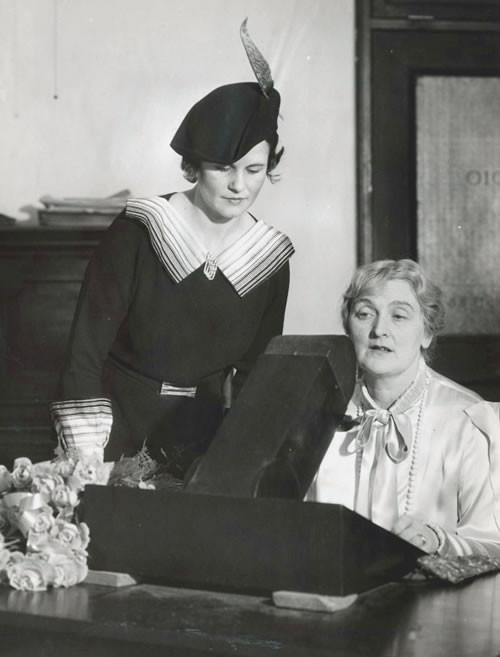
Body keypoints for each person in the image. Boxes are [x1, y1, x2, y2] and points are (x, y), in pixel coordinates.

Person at [49, 21, 294, 478]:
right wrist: (86, 464)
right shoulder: (139, 230)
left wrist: (239, 463)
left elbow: (254, 377)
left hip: (204, 443)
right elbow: (84, 353)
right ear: (193, 166)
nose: (240, 186)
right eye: (223, 168)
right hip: (112, 433)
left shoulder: (270, 258)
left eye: (255, 169)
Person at [307, 259, 500, 558]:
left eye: (399, 316)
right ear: (348, 328)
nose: (379, 329)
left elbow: (494, 544)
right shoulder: (318, 415)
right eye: (365, 314)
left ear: (427, 333)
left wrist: (439, 541)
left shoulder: (470, 421)